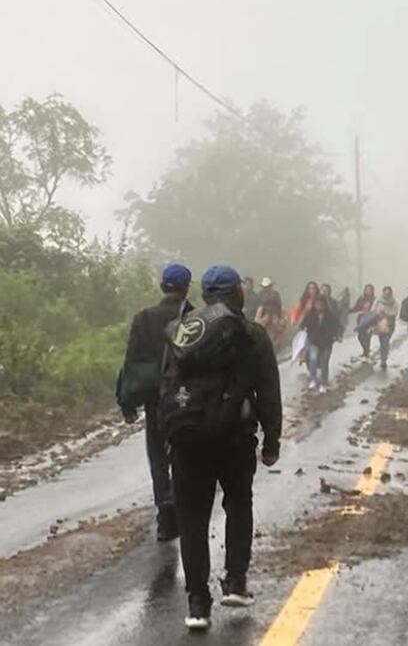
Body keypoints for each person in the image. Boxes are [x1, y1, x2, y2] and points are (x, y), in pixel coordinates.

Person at [159, 265, 282, 631]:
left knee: (193, 518)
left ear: (206, 293)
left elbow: (164, 385)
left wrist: (169, 432)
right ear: (236, 294)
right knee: (238, 505)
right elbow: (269, 392)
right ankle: (236, 582)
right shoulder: (251, 334)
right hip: (234, 437)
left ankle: (197, 603)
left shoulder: (182, 332)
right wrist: (271, 441)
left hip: (185, 439)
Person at [117, 263, 193, 542]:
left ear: (163, 286)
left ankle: (165, 515)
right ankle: (184, 509)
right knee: (185, 454)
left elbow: (132, 363)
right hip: (189, 399)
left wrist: (127, 404)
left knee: (158, 456)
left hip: (155, 399)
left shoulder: (143, 319)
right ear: (187, 287)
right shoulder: (196, 317)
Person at [299, 293, 341, 392]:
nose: (319, 306)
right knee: (313, 359)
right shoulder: (310, 314)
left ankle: (323, 382)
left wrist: (336, 336)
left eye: (321, 303)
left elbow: (336, 327)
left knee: (324, 362)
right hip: (313, 342)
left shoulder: (330, 316)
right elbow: (302, 325)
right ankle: (313, 379)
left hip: (326, 343)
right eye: (317, 303)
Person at [372, 286, 399, 369]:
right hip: (380, 324)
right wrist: (378, 314)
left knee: (386, 342)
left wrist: (385, 312)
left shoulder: (394, 302)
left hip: (390, 325)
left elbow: (394, 313)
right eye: (385, 292)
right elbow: (373, 310)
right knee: (382, 341)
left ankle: (384, 360)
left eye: (388, 293)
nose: (387, 294)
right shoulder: (378, 301)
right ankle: (383, 357)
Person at [254, 277, 284, 342]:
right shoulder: (260, 294)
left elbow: (279, 305)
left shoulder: (275, 294)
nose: (266, 288)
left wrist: (280, 315)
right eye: (265, 287)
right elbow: (259, 305)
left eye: (268, 286)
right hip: (264, 312)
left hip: (274, 312)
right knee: (260, 325)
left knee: (277, 326)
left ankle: (276, 341)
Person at [352, 284, 376, 358]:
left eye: (370, 290)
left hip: (371, 319)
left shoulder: (374, 299)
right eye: (367, 290)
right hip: (361, 318)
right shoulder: (361, 298)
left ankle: (366, 352)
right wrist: (349, 310)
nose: (368, 291)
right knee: (360, 337)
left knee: (367, 336)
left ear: (372, 291)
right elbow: (356, 307)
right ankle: (366, 350)